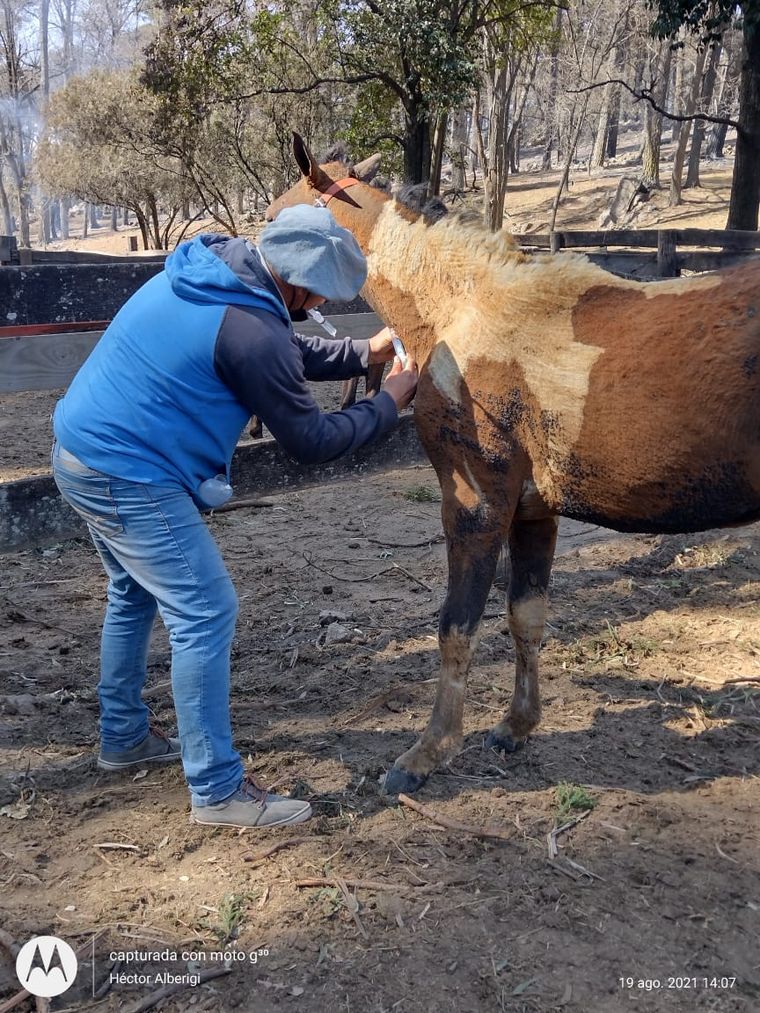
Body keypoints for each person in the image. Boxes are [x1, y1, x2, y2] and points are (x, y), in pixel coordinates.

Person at [51, 205, 418, 829]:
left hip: (80, 453)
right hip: (131, 476)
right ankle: (218, 791)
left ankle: (123, 739)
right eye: (320, 292)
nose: (317, 302)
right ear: (298, 282)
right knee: (205, 609)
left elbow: (279, 345)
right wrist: (389, 402)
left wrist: (364, 350)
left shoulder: (213, 272)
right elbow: (313, 440)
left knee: (133, 595)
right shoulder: (252, 330)